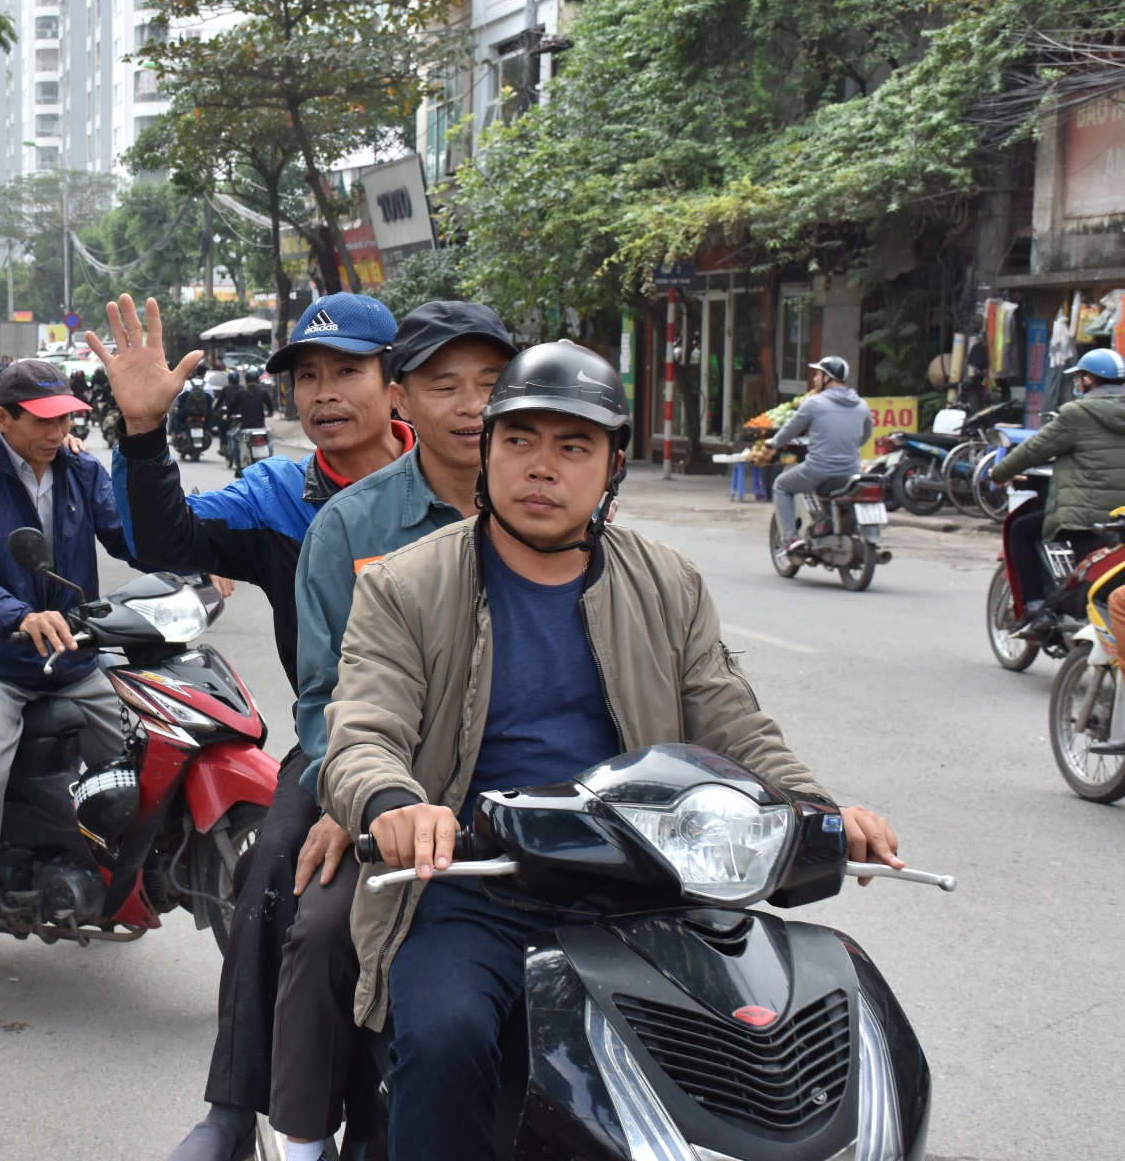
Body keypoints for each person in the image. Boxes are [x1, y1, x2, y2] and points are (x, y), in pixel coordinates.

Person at [317, 341, 903, 1160]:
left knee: (771, 1039)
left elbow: (733, 724)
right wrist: (396, 804)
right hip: (478, 885)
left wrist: (820, 807)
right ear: (486, 452)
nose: (541, 468)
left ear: (613, 465)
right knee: (445, 1038)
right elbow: (363, 729)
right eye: (519, 441)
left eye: (573, 446)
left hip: (649, 882)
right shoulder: (407, 585)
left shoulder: (667, 582)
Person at [86, 292, 409, 1161]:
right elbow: (165, 540)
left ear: (396, 385)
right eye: (308, 377)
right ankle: (235, 1110)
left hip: (464, 741)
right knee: (271, 872)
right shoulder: (281, 494)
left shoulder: (455, 488)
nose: (326, 393)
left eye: (348, 371)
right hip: (338, 744)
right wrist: (144, 432)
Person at [272, 301, 516, 1161]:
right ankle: (300, 1136)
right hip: (392, 796)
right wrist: (360, 794)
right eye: (446, 386)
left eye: (491, 385)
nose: (472, 407)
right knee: (325, 920)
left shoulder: (550, 514)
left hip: (529, 805)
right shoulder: (351, 528)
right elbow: (324, 697)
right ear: (406, 399)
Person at [0, 358, 138, 992]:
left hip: (74, 656)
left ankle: (109, 870)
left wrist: (198, 557)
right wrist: (18, 617)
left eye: (67, 418)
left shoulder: (81, 468)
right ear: (3, 420)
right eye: (44, 420)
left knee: (138, 745)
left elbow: (129, 533)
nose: (58, 430)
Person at [990, 347, 1125, 628]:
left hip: (1086, 517)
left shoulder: (1077, 413)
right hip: (1120, 518)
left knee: (1022, 530)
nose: (1077, 384)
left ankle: (1036, 607)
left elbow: (1033, 450)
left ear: (1089, 379)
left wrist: (999, 472)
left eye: (1079, 378)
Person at [767, 356, 873, 556]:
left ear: (827, 378)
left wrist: (773, 443)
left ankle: (790, 538)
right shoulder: (862, 405)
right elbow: (865, 435)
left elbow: (791, 429)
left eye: (817, 374)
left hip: (818, 469)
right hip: (850, 470)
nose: (814, 379)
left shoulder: (814, 403)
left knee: (782, 485)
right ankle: (827, 524)